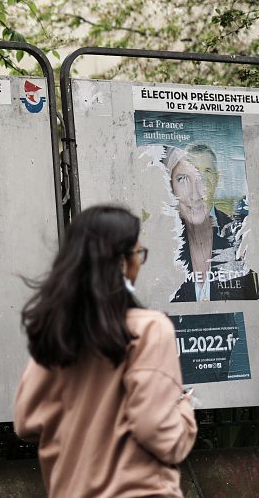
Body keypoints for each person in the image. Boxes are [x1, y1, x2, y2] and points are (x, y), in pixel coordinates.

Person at [15, 205, 197, 497]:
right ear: (121, 264)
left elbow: (26, 421)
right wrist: (184, 410)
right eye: (138, 254)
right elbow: (159, 433)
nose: (139, 264)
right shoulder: (149, 329)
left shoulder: (56, 333)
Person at [165, 144, 259, 302]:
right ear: (171, 186)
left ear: (217, 179)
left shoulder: (239, 236)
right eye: (183, 179)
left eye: (205, 175)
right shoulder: (161, 243)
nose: (196, 194)